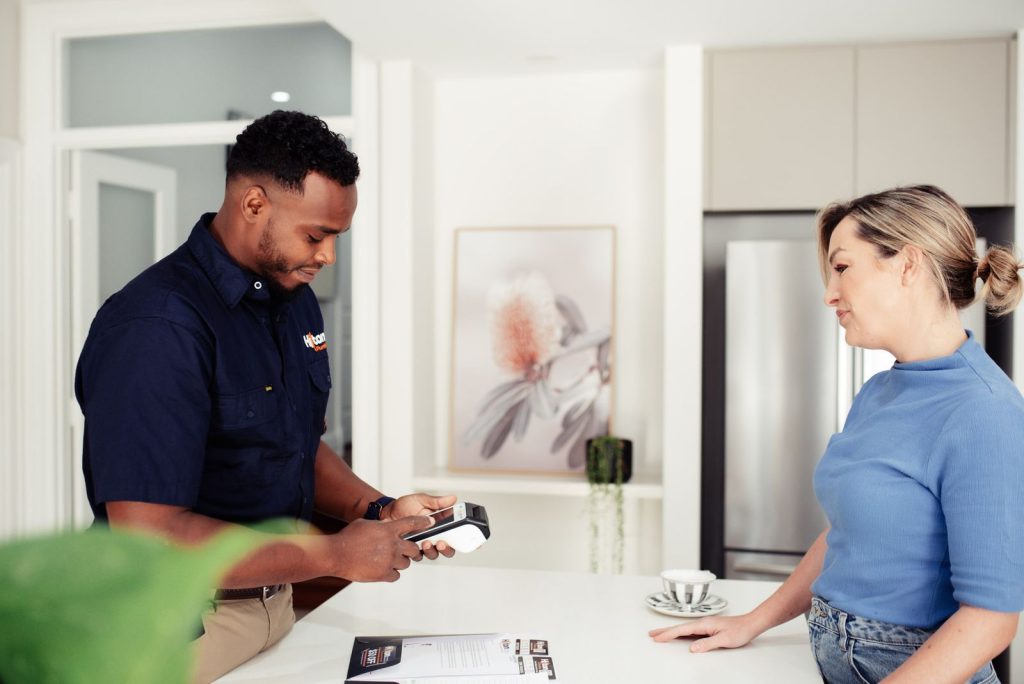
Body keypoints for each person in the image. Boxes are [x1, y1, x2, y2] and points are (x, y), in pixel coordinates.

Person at [74, 110, 455, 683]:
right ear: (254, 203)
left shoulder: (292, 300)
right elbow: (151, 536)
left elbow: (292, 442)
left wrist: (377, 509)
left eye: (336, 238)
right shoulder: (156, 326)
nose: (327, 256)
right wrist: (336, 555)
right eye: (316, 235)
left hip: (275, 608)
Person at [650, 185, 1024, 683]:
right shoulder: (879, 391)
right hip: (833, 657)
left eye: (842, 267)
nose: (829, 293)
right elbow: (848, 533)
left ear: (908, 265)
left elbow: (990, 620)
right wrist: (753, 621)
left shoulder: (986, 411)